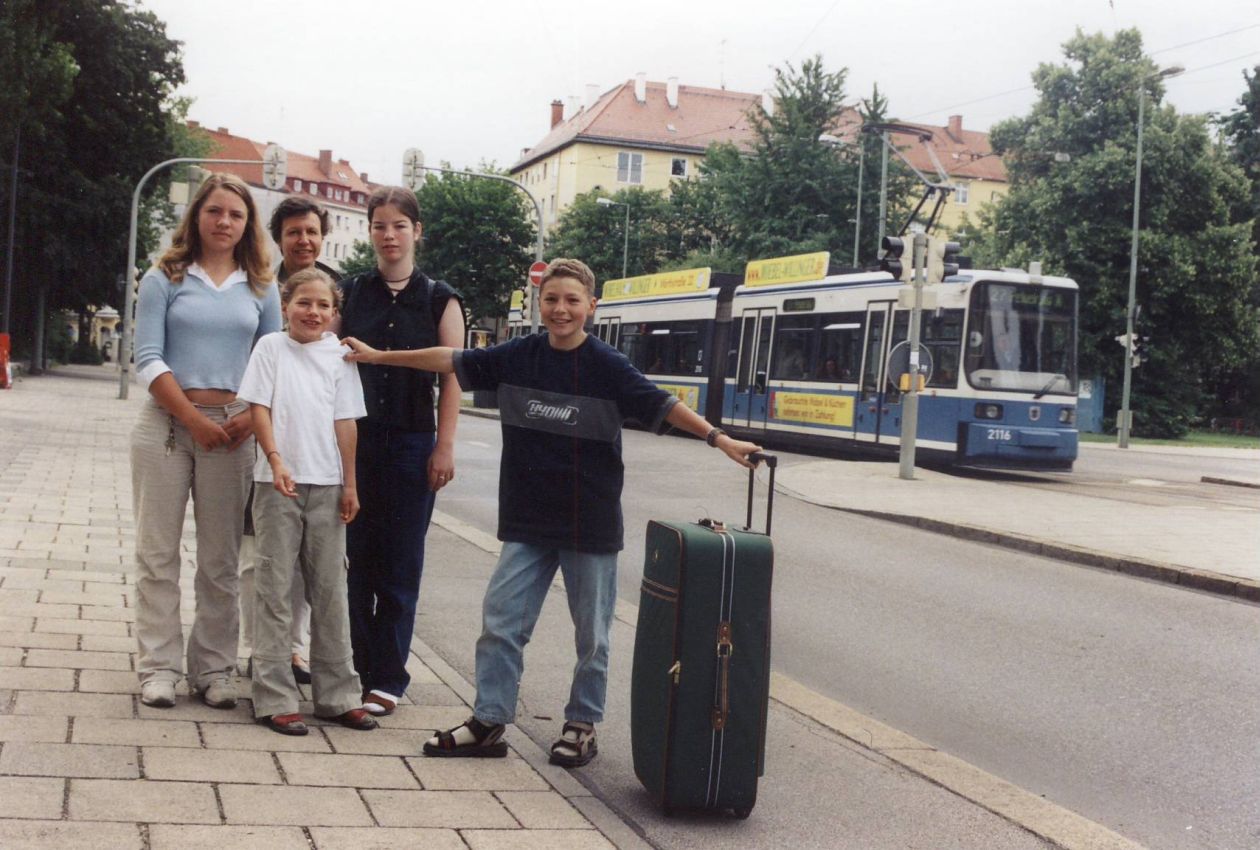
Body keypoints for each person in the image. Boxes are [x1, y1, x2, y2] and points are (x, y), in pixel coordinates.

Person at [341, 258, 762, 767]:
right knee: (500, 624)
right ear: (540, 304)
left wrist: (719, 439)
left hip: (590, 523)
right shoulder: (520, 355)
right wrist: (381, 356)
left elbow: (664, 404)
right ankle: (489, 722)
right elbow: (448, 360)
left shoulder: (608, 366)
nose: (560, 310)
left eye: (570, 300)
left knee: (592, 636)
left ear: (590, 306)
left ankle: (582, 725)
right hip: (528, 522)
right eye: (551, 300)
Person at [131, 172, 281, 709]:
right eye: (215, 211)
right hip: (168, 427)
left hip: (234, 431)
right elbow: (147, 357)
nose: (224, 222)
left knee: (220, 558)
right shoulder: (164, 278)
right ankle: (159, 667)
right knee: (158, 553)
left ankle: (215, 667)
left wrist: (244, 418)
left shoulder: (261, 286)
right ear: (197, 215)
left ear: (248, 225)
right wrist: (194, 419)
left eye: (236, 215)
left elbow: (272, 362)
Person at [338, 186, 465, 717]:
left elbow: (454, 371)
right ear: (370, 232)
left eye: (399, 226)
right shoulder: (350, 293)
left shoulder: (440, 298)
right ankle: (356, 669)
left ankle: (388, 677)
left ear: (417, 232)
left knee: (401, 562)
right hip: (355, 445)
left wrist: (445, 445)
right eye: (380, 226)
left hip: (413, 445)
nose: (389, 235)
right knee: (355, 562)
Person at [237, 268, 377, 735]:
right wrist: (274, 459)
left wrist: (351, 484)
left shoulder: (339, 357)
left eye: (323, 306)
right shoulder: (270, 348)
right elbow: (259, 407)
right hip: (278, 484)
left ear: (334, 313)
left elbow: (346, 423)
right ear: (285, 305)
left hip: (328, 485)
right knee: (274, 588)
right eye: (304, 303)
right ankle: (274, 696)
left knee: (331, 591)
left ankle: (338, 695)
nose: (313, 313)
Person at [238, 196, 341, 686]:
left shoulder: (333, 291)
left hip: (318, 461)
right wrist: (268, 448)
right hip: (262, 446)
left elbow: (339, 394)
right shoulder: (257, 283)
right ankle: (264, 658)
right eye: (294, 232)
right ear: (279, 237)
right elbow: (258, 385)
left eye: (312, 232)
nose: (304, 240)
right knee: (262, 565)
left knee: (317, 577)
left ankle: (296, 656)